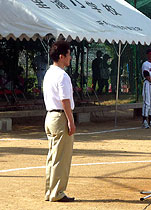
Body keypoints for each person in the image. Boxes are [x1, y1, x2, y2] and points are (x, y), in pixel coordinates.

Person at [43, 40, 75, 202]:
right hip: (60, 116)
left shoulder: (49, 72)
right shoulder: (62, 75)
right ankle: (57, 192)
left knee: (53, 156)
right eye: (68, 55)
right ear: (61, 56)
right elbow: (65, 100)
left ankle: (50, 191)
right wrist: (71, 120)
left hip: (50, 116)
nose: (70, 58)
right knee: (61, 157)